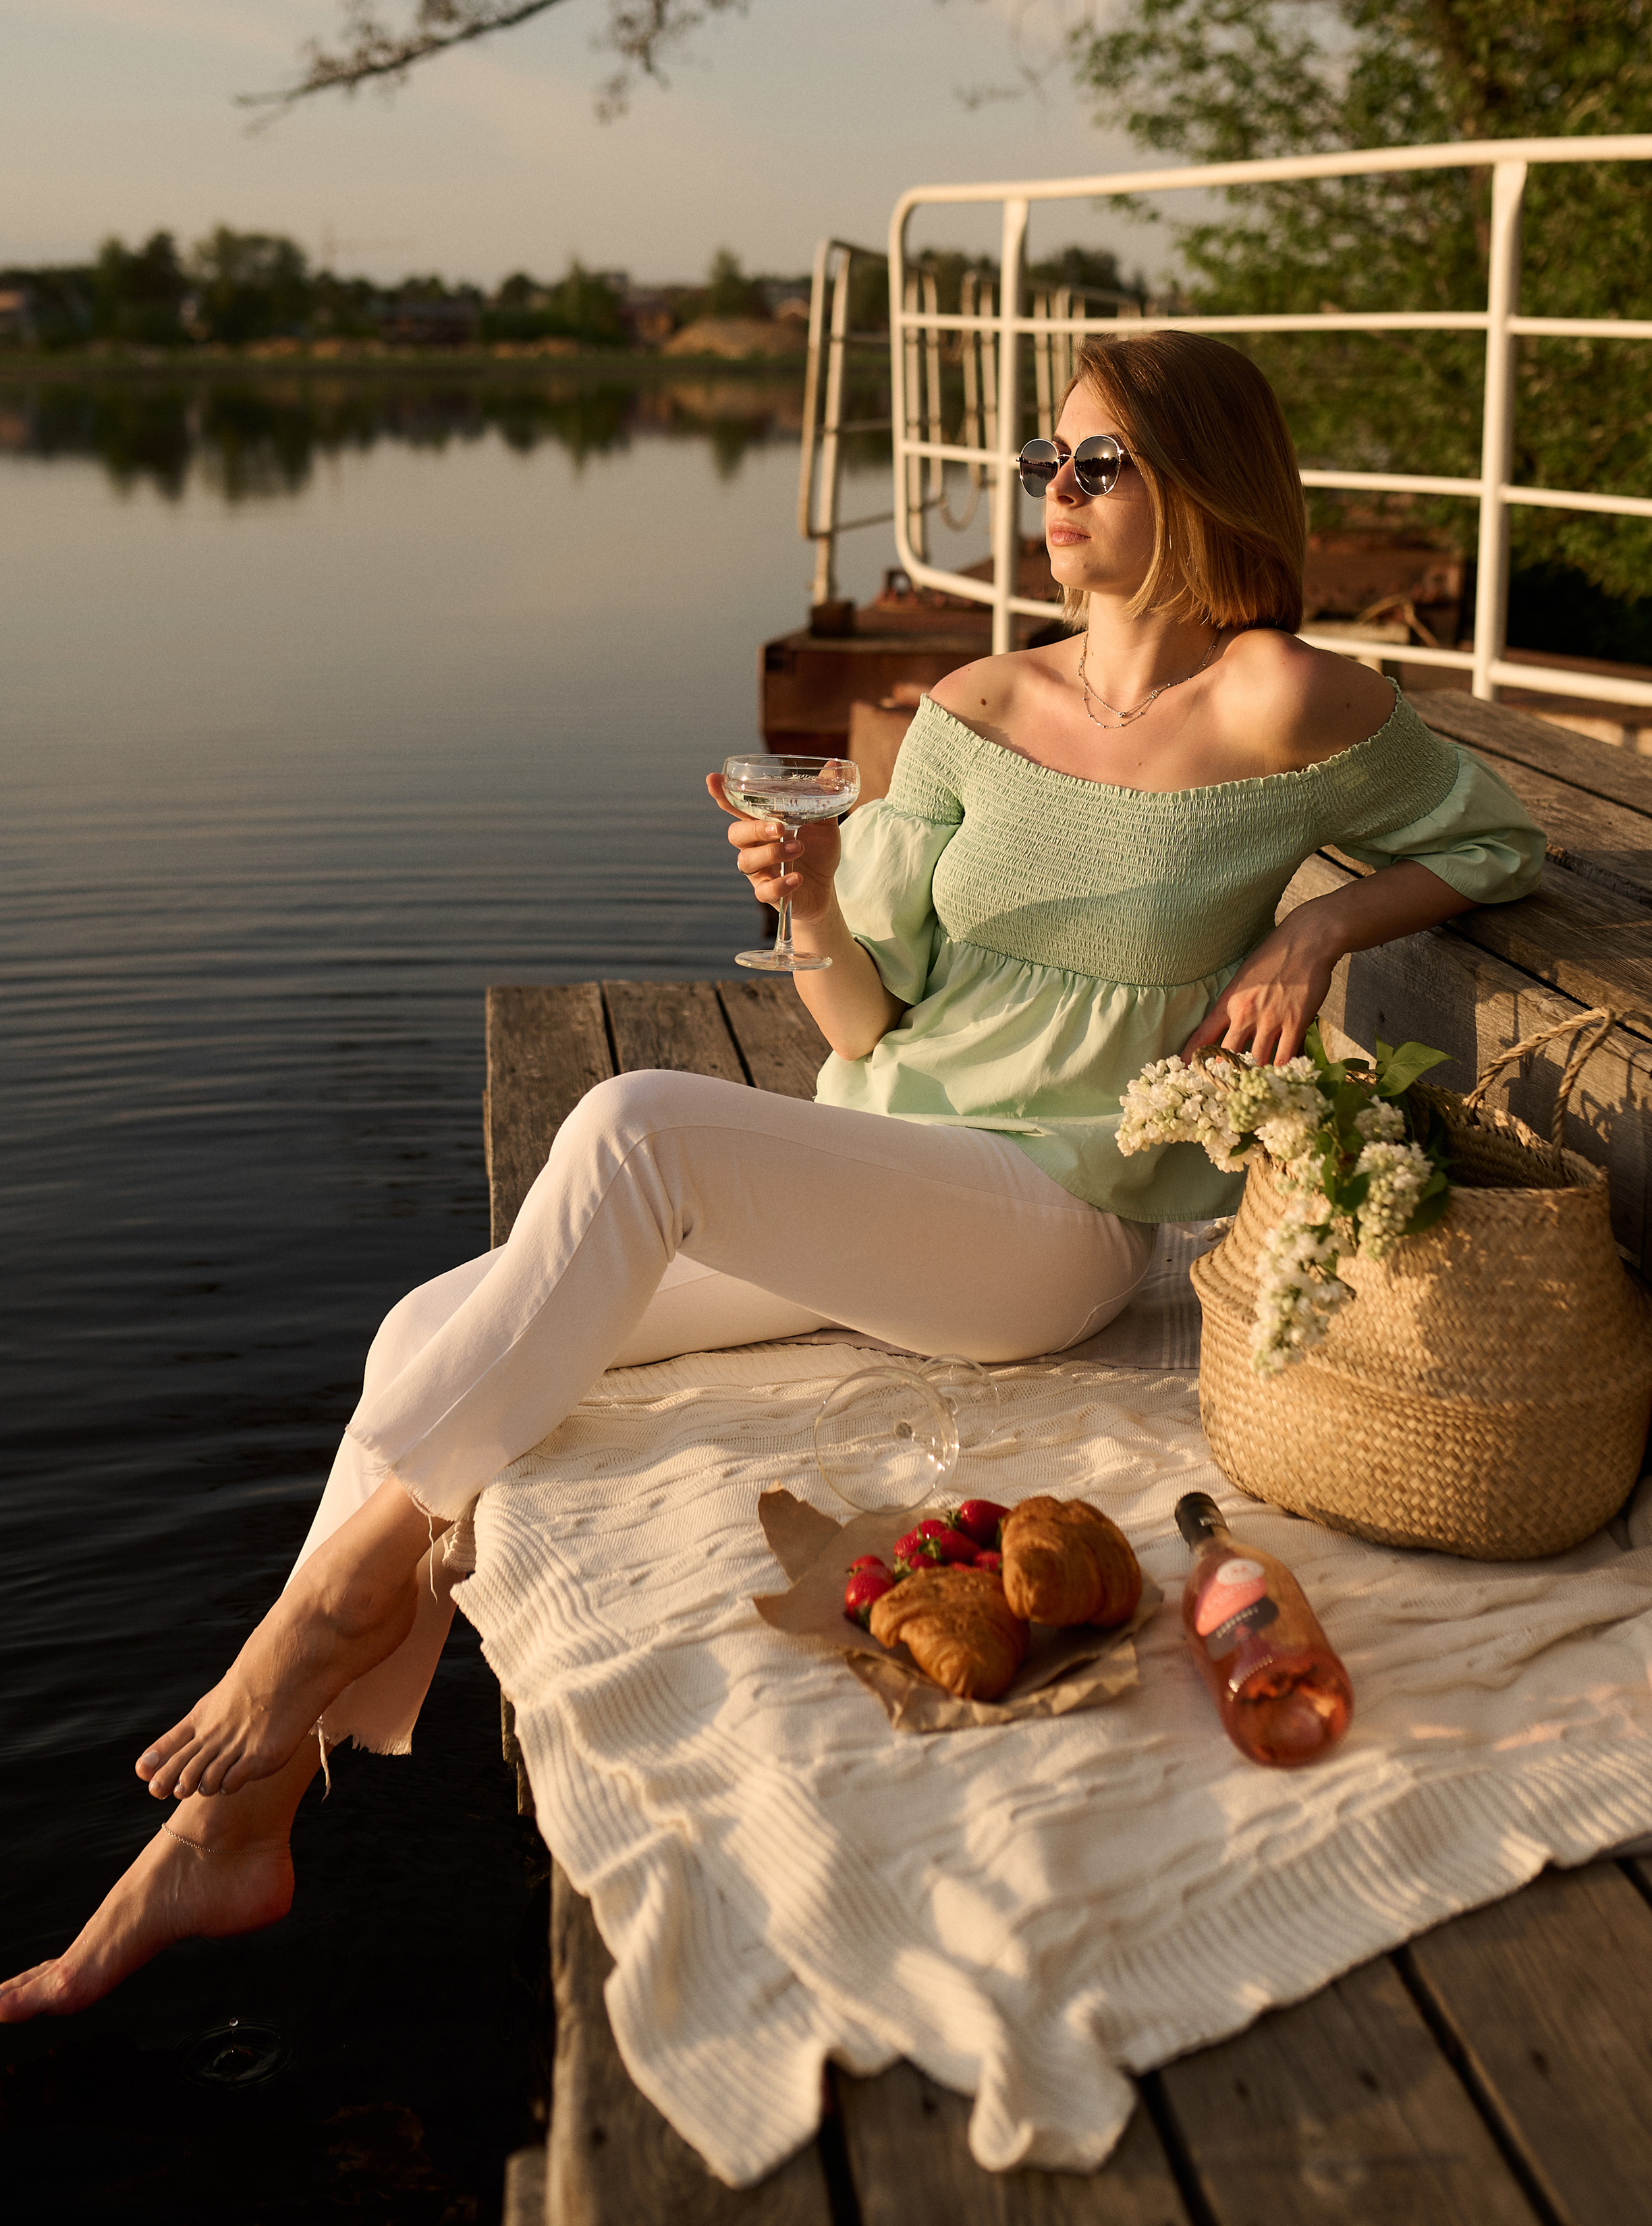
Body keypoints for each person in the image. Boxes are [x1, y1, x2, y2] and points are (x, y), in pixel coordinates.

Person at [0, 331, 1543, 2022]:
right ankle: (247, 1822)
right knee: (427, 1325)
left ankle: (331, 1604)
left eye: (1095, 464)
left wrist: (1321, 915)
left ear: (1200, 484)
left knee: (638, 1125)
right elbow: (861, 1006)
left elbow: (1489, 838)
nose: (1052, 494)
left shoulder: (1281, 701)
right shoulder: (969, 710)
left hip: (1050, 1221)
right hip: (888, 1169)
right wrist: (805, 901)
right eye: (1045, 460)